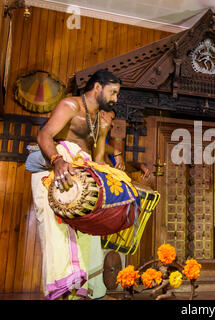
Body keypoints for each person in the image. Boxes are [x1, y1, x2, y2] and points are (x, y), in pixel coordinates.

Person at [27, 69, 122, 300]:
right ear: (98, 88)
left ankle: (79, 294)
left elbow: (98, 160)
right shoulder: (70, 106)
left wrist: (106, 136)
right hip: (55, 175)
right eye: (113, 92)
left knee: (86, 236)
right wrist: (58, 160)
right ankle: (60, 294)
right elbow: (44, 135)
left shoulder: (99, 118)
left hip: (79, 183)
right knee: (57, 238)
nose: (115, 99)